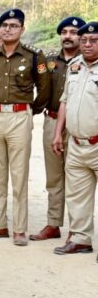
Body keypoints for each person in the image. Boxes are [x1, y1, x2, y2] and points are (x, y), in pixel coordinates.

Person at [0, 9, 50, 246]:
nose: (8, 29)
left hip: (19, 116)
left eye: (14, 25)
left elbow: (44, 89)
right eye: (4, 25)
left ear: (22, 29)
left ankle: (19, 229)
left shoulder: (33, 56)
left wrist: (30, 110)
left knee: (19, 175)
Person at [30, 16, 85, 241]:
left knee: (77, 178)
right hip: (52, 121)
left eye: (73, 32)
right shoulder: (49, 60)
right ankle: (53, 224)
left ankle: (76, 228)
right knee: (53, 177)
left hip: (77, 125)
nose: (68, 36)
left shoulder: (88, 61)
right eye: (64, 32)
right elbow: (40, 88)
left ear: (81, 36)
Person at [52, 21, 98, 257]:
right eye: (85, 40)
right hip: (77, 143)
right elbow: (64, 101)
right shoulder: (75, 65)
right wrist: (58, 133)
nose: (88, 44)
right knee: (77, 195)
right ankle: (80, 239)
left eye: (94, 40)